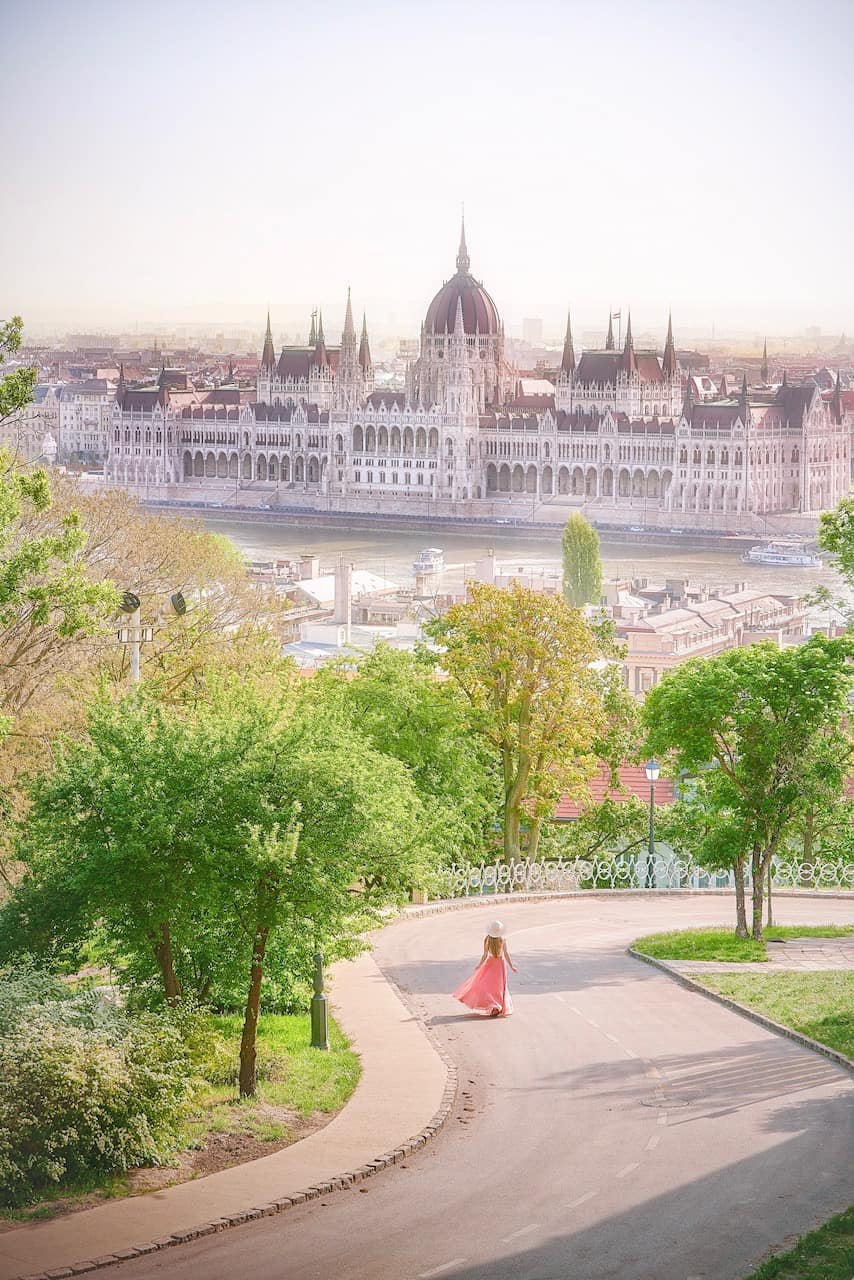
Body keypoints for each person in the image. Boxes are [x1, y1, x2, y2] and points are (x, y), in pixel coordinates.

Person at [453, 920, 517, 1017]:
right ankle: (497, 1005)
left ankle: (493, 1005)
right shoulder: (502, 939)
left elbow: (485, 955)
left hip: (490, 963)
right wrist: (511, 966)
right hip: (500, 964)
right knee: (499, 986)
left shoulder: (487, 940)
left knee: (486, 984)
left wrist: (479, 965)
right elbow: (506, 954)